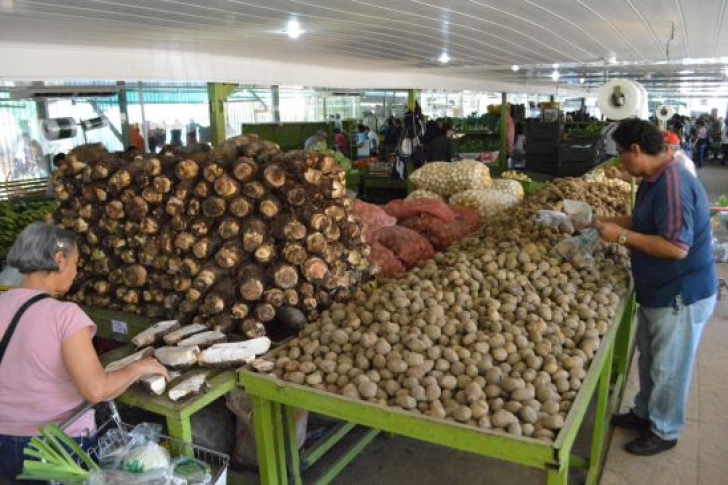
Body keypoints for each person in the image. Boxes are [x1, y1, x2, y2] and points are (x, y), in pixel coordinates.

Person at [0, 223, 169, 483]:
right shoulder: (64, 316)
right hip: (54, 452)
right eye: (75, 263)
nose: (76, 272)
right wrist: (140, 367)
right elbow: (96, 390)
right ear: (59, 260)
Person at [595, 118, 716, 456]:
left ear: (636, 149)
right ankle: (644, 412)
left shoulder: (673, 184)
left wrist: (620, 236)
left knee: (668, 365)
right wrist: (609, 221)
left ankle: (664, 430)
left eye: (621, 154)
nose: (620, 162)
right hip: (658, 290)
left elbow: (677, 247)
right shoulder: (654, 176)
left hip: (679, 293)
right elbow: (648, 221)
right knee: (650, 357)